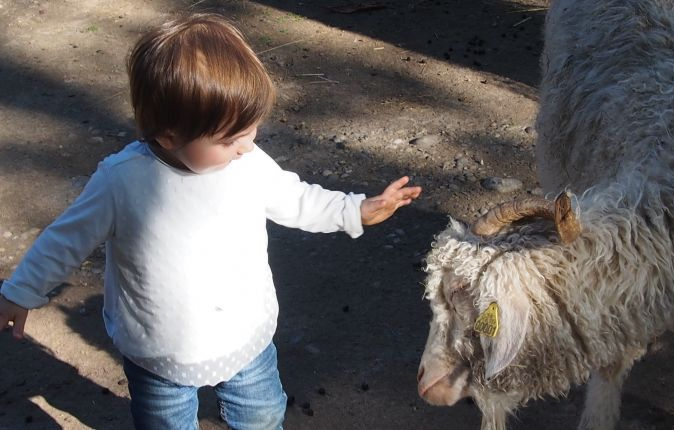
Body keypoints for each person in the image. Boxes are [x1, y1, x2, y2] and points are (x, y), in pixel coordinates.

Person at [0, 13, 421, 430]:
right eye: (229, 139)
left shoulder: (248, 164)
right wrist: (21, 292)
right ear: (167, 136)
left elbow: (297, 199)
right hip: (158, 349)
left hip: (244, 335)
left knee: (262, 414)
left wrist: (356, 210)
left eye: (251, 130)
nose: (246, 146)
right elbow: (64, 241)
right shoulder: (121, 181)